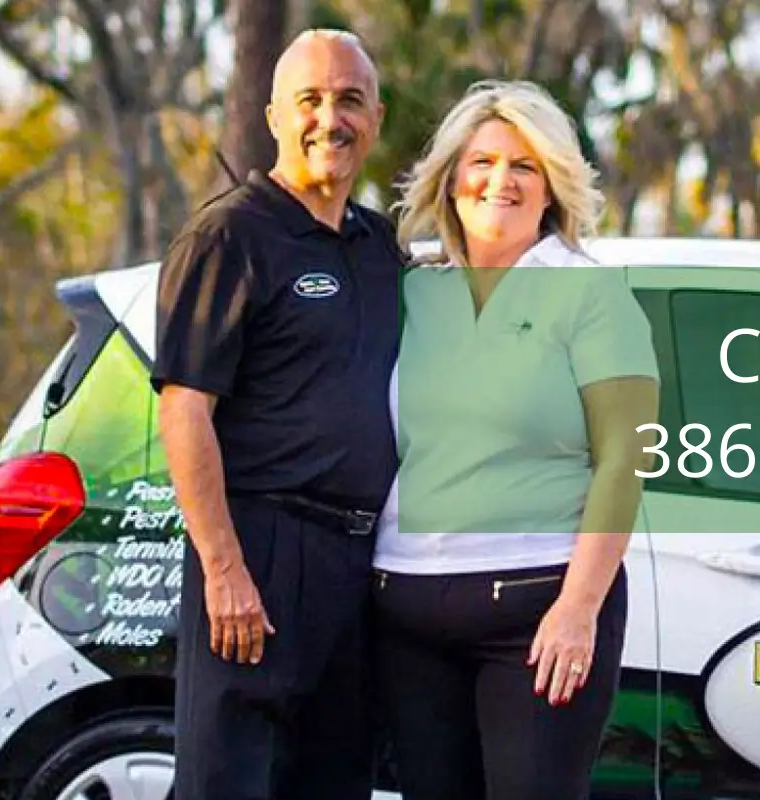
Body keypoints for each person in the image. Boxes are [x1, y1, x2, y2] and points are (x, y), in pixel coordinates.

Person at [373, 78, 659, 800]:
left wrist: (578, 608)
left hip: (536, 612)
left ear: (551, 186)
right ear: (452, 177)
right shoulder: (413, 288)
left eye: (523, 166)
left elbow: (625, 458)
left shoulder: (592, 296)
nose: (500, 182)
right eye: (483, 163)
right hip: (404, 611)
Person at [153, 29, 401, 800]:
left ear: (376, 118)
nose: (331, 119)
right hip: (258, 550)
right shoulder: (230, 236)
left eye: (350, 101)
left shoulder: (379, 246)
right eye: (311, 101)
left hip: (358, 562)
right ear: (273, 117)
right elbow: (185, 409)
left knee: (333, 782)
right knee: (228, 784)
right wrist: (224, 569)